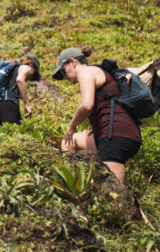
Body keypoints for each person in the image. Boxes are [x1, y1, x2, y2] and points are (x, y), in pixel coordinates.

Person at [54, 46, 140, 185]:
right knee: (69, 142)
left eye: (64, 72)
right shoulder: (98, 71)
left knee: (114, 191)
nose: (66, 78)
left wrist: (71, 127)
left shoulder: (85, 72)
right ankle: (78, 183)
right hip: (116, 133)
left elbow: (87, 105)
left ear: (73, 62)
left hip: (116, 136)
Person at [0, 54, 40, 126]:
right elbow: (20, 80)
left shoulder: (8, 70)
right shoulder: (26, 67)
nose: (31, 77)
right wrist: (26, 103)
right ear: (31, 64)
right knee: (13, 134)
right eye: (34, 73)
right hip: (7, 105)